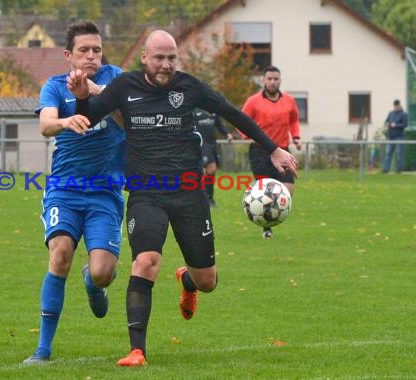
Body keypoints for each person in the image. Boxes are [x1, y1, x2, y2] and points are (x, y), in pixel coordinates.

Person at [67, 30, 298, 367]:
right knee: (145, 261)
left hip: (190, 193)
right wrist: (80, 98)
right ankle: (137, 351)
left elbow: (233, 113)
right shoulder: (125, 87)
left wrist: (273, 148)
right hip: (146, 193)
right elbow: (87, 118)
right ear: (144, 58)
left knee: (207, 281)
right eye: (159, 57)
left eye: (171, 57)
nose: (166, 64)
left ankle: (187, 279)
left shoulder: (189, 86)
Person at [23, 20, 126, 365]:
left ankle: (93, 282)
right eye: (83, 50)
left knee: (102, 272)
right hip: (64, 190)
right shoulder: (54, 86)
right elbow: (45, 124)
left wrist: (99, 93)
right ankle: (42, 350)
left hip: (105, 193)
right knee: (61, 253)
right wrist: (67, 121)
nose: (91, 56)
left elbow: (130, 120)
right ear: (68, 55)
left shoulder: (116, 79)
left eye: (96, 50)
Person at [241, 66, 301, 239]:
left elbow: (294, 120)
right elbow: (241, 119)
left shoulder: (289, 100)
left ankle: (275, 216)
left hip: (283, 151)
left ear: (280, 80)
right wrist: (245, 135)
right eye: (269, 79)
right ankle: (266, 227)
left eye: (276, 79)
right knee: (265, 192)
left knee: (288, 189)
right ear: (264, 81)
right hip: (260, 151)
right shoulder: (253, 101)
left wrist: (296, 137)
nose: (273, 82)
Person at [193, 108, 233, 208]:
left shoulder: (213, 110)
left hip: (212, 145)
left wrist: (227, 134)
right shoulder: (194, 111)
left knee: (210, 172)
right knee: (209, 169)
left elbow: (219, 125)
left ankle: (208, 198)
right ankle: (205, 199)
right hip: (202, 144)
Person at [382, 99, 408, 173]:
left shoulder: (404, 114)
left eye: (397, 106)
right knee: (388, 153)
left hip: (399, 137)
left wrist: (396, 125)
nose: (396, 107)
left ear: (399, 105)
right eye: (395, 106)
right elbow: (386, 121)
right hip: (390, 136)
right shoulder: (391, 113)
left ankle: (399, 169)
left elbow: (405, 124)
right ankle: (386, 169)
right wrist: (387, 124)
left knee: (399, 153)